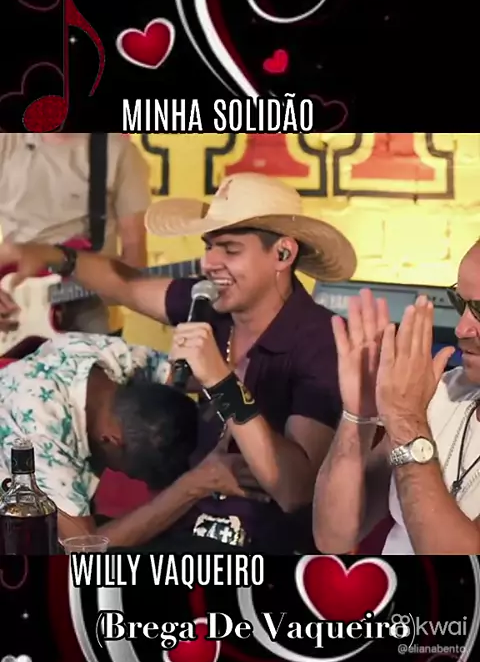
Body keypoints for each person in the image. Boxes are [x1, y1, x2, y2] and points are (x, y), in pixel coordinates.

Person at [0, 172, 357, 553]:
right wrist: (54, 256)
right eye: (209, 246)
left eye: (230, 250)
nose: (209, 262)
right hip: (184, 532)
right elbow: (124, 285)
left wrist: (222, 383)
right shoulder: (209, 304)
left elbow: (295, 490)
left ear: (282, 254)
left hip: (258, 552)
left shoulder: (320, 342)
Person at [0, 332, 251, 550]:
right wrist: (194, 485)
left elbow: (185, 375)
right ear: (112, 440)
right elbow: (84, 548)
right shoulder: (41, 442)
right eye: (133, 473)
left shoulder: (106, 356)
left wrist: (238, 397)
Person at [313, 239, 480, 555]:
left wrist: (405, 420)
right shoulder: (445, 391)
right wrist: (359, 414)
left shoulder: (413, 411)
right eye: (461, 304)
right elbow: (334, 537)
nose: (461, 329)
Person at [0, 133, 150, 337]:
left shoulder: (119, 152)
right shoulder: (6, 142)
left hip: (90, 313)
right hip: (13, 312)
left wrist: (110, 285)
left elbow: (134, 263)